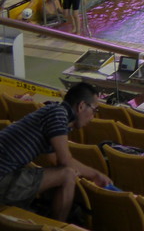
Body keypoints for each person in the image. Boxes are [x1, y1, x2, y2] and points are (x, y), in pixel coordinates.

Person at [0, 83, 111, 221]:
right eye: (94, 110)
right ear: (81, 106)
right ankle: (57, 226)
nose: (93, 117)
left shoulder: (53, 111)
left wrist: (78, 174)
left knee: (66, 173)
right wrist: (96, 175)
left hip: (6, 174)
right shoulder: (57, 115)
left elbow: (55, 161)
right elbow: (65, 160)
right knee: (67, 175)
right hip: (3, 177)